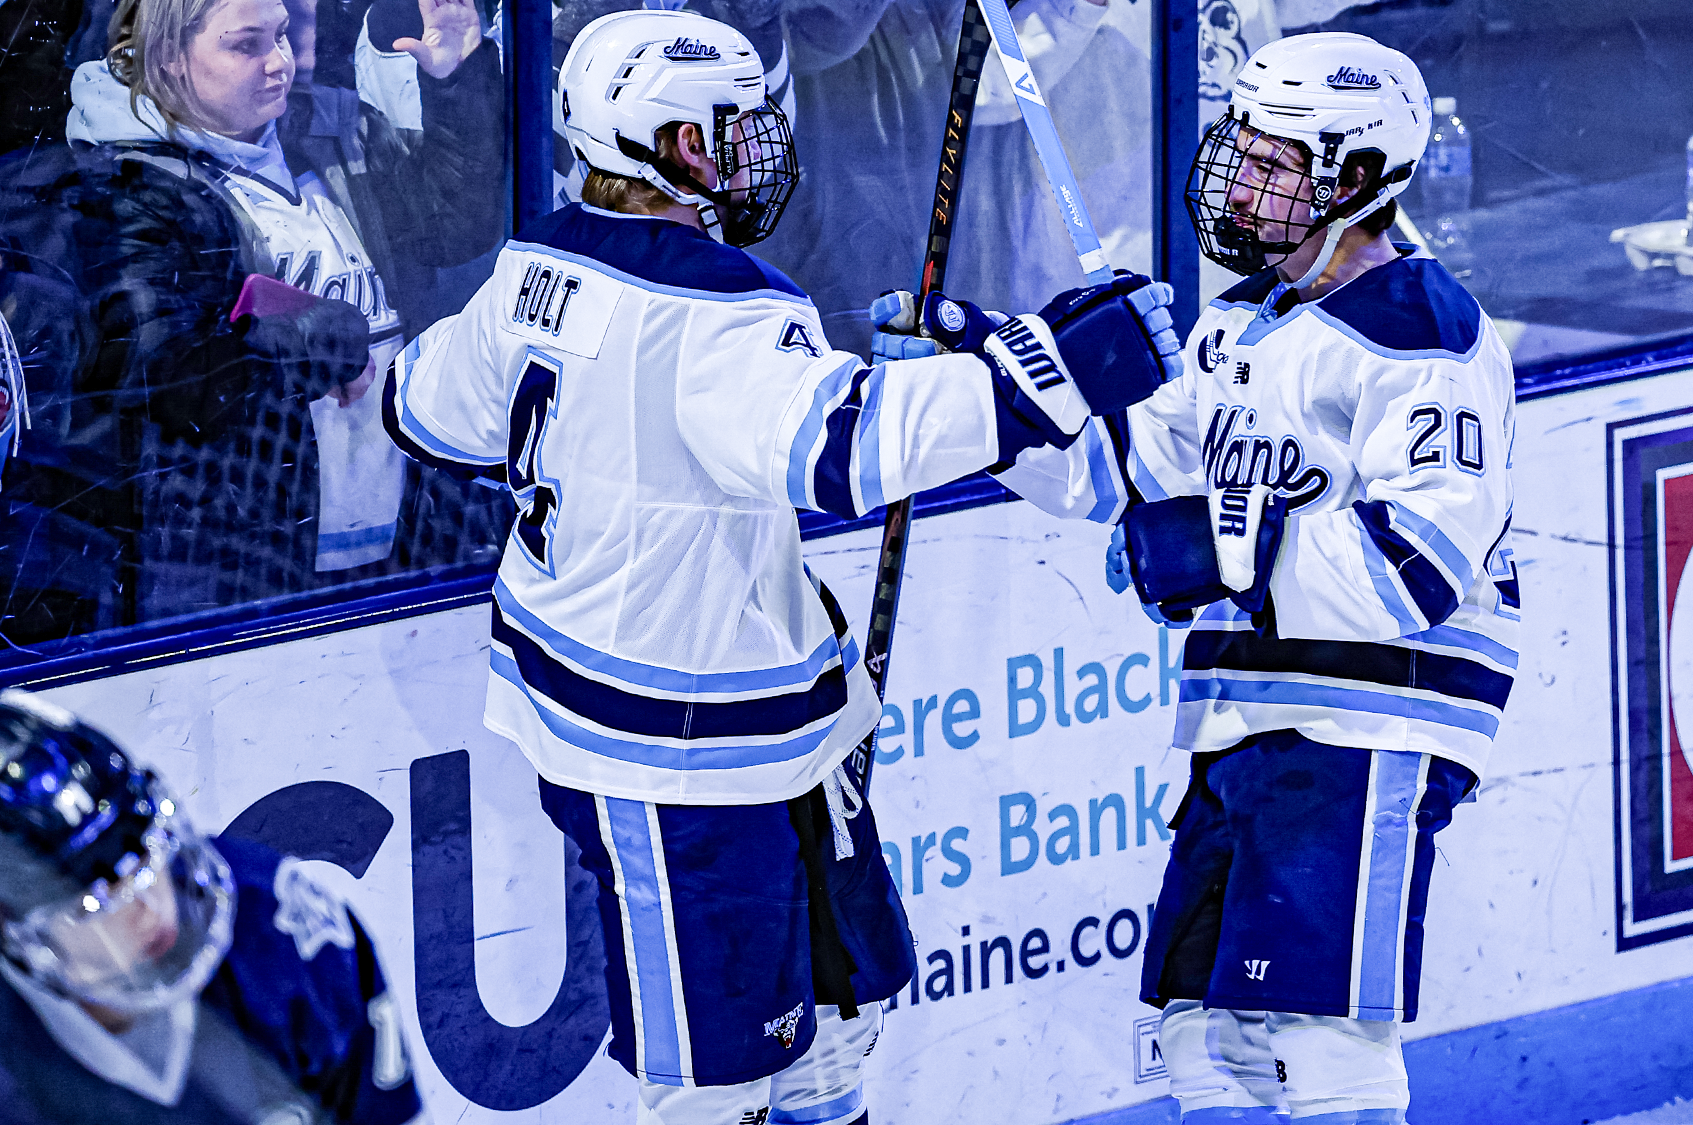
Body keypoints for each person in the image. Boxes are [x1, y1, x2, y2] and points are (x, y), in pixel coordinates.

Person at [379, 10, 1181, 1124]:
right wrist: (1045, 369)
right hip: (673, 755)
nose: (759, 144)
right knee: (712, 1085)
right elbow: (846, 453)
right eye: (732, 125)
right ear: (670, 143)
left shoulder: (530, 271)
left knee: (830, 1034)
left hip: (751, 731)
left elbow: (418, 403)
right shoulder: (717, 311)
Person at [887, 31, 1519, 1125]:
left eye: (1273, 163)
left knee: (1317, 1039)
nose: (1237, 178)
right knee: (1199, 1036)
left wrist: (1232, 542)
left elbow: (1417, 565)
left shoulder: (1420, 332)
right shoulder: (1241, 326)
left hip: (1371, 727)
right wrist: (991, 396)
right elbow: (1115, 479)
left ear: (1355, 179)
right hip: (1248, 718)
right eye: (1240, 149)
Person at [54, 0, 505, 625]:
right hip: (249, 562)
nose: (280, 64)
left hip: (404, 530)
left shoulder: (335, 134)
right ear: (169, 59)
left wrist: (456, 82)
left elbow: (457, 225)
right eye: (246, 45)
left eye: (283, 36)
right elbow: (168, 372)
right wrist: (321, 340)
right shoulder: (131, 185)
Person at [0, 689, 423, 1124]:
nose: (149, 906)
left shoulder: (277, 928)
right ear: (12, 934)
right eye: (96, 901)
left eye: (148, 854)